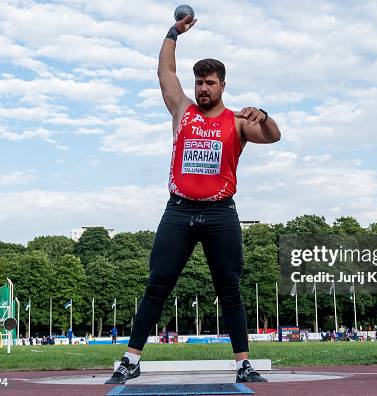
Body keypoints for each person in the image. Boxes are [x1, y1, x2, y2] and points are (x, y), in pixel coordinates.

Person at [106, 14, 280, 385]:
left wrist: (264, 115)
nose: (203, 88)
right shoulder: (183, 112)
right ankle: (130, 359)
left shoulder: (237, 122)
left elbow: (274, 136)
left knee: (229, 289)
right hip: (179, 211)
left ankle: (243, 363)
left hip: (220, 214)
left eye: (209, 83)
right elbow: (165, 74)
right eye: (199, 82)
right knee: (157, 284)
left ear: (222, 86)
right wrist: (173, 34)